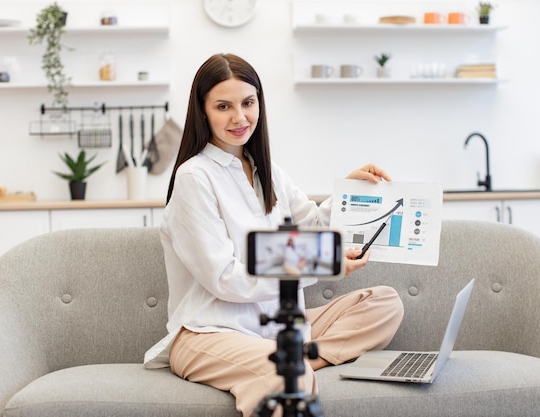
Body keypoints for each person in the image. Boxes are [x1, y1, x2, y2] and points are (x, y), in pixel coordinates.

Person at [144, 53, 404, 417]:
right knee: (289, 377)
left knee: (384, 303)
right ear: (203, 111)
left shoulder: (267, 171)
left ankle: (281, 362)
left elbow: (312, 224)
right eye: (224, 106)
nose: (240, 117)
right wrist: (322, 265)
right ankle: (287, 366)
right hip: (210, 334)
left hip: (273, 327)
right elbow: (225, 278)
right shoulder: (194, 178)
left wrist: (347, 192)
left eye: (248, 103)